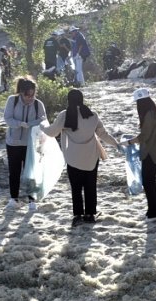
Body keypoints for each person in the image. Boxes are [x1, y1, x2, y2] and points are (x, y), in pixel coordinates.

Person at [42, 88, 119, 227]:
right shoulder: (92, 115)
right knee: (90, 186)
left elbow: (52, 132)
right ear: (82, 99)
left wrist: (42, 125)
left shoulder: (65, 115)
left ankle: (77, 215)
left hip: (73, 157)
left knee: (76, 188)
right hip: (91, 156)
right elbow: (103, 134)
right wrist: (116, 144)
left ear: (69, 100)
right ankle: (90, 214)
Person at [2, 77, 49, 213]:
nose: (30, 98)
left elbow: (43, 120)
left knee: (31, 172)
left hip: (30, 144)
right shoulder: (12, 100)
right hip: (13, 142)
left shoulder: (38, 104)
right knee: (14, 171)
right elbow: (7, 118)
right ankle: (13, 199)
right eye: (27, 95)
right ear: (21, 92)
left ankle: (32, 202)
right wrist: (19, 124)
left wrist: (33, 124)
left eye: (33, 94)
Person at [126, 88, 156, 219]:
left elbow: (144, 136)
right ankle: (153, 209)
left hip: (149, 153)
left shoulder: (149, 115)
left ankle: (154, 211)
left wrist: (129, 142)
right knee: (151, 182)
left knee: (148, 182)